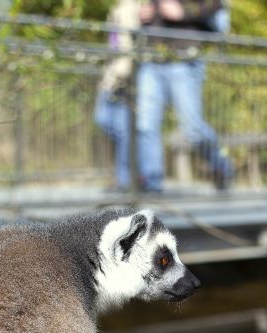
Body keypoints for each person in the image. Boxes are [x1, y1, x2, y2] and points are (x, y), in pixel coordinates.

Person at [136, 0, 234, 192]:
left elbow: (217, 6)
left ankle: (222, 165)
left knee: (193, 130)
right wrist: (143, 15)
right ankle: (152, 182)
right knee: (145, 124)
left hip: (184, 60)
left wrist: (183, 13)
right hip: (151, 59)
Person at [94, 0, 140, 192]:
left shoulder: (131, 7)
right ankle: (127, 175)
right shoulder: (116, 8)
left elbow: (131, 43)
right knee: (103, 119)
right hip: (111, 73)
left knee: (122, 129)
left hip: (122, 75)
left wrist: (125, 71)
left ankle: (124, 179)